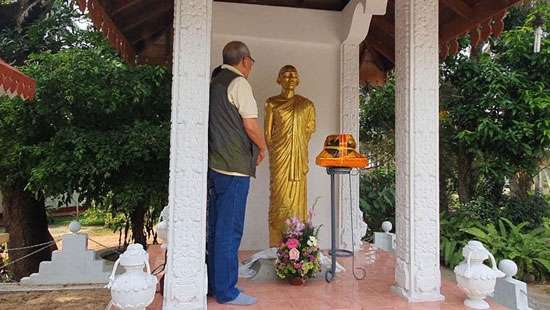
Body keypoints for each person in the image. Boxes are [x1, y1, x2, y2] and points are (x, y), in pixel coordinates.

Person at [207, 41, 266, 305]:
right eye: (251, 60)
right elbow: (250, 125)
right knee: (229, 230)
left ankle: (216, 281)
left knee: (217, 228)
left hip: (215, 166)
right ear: (244, 60)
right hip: (233, 168)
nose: (251, 65)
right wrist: (263, 147)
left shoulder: (215, 81)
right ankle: (227, 291)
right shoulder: (239, 83)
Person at [264, 65, 316, 247]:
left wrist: (297, 146)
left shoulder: (307, 104)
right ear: (279, 79)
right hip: (279, 157)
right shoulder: (272, 103)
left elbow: (309, 129)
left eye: (294, 75)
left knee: (297, 199)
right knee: (278, 197)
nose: (290, 78)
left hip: (298, 157)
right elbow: (268, 134)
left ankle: (297, 246)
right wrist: (279, 150)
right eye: (285, 75)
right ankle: (276, 244)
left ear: (298, 79)